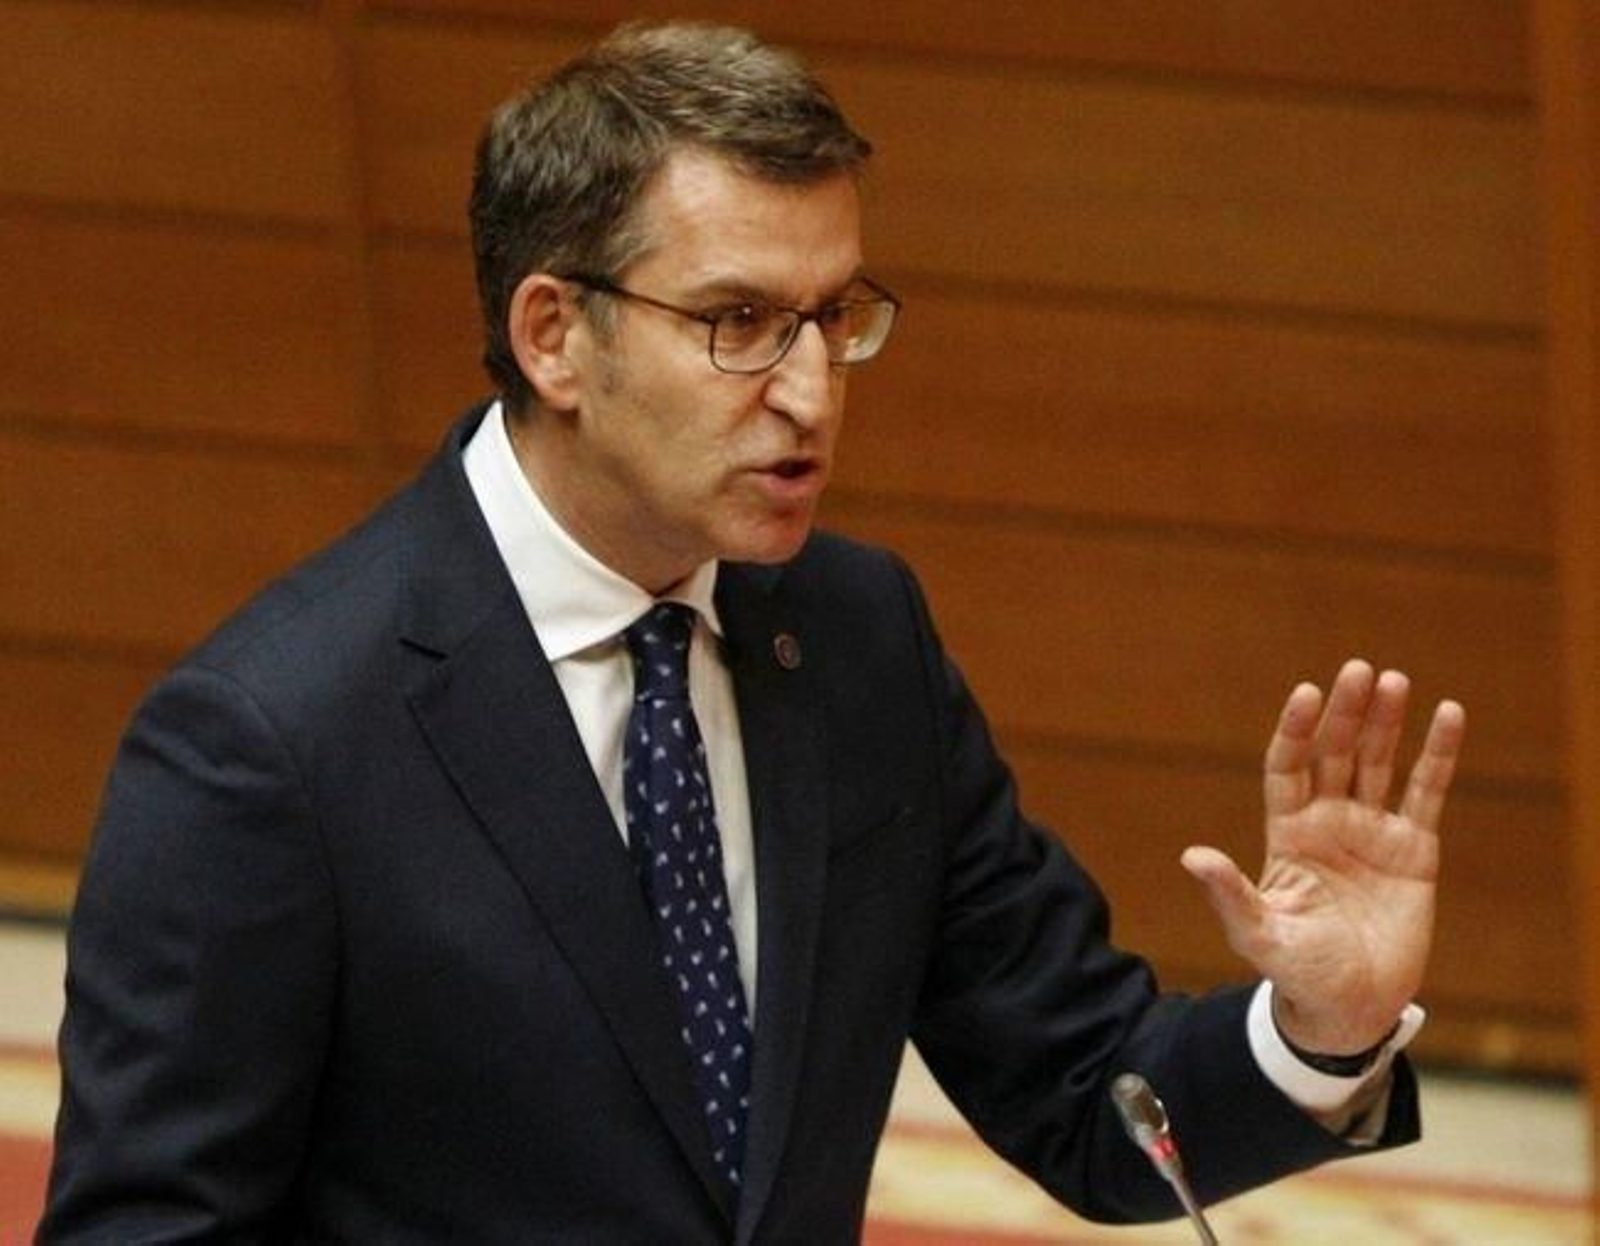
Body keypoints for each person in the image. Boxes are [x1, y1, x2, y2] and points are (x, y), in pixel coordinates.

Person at [39, 20, 1465, 1244]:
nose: (811, 391)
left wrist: (1319, 1027)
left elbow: (1089, 1094)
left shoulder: (859, 639)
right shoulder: (270, 743)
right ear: (553, 335)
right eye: (736, 321)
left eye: (832, 317)